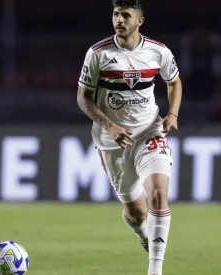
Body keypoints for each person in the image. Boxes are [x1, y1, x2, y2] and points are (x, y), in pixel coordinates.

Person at [76, 1, 183, 274]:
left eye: (125, 15)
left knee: (158, 194)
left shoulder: (158, 52)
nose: (119, 20)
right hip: (112, 142)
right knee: (137, 215)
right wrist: (109, 125)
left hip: (149, 131)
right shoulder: (98, 54)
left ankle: (155, 270)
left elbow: (174, 82)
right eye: (115, 14)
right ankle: (143, 235)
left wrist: (173, 114)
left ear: (140, 21)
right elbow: (83, 97)